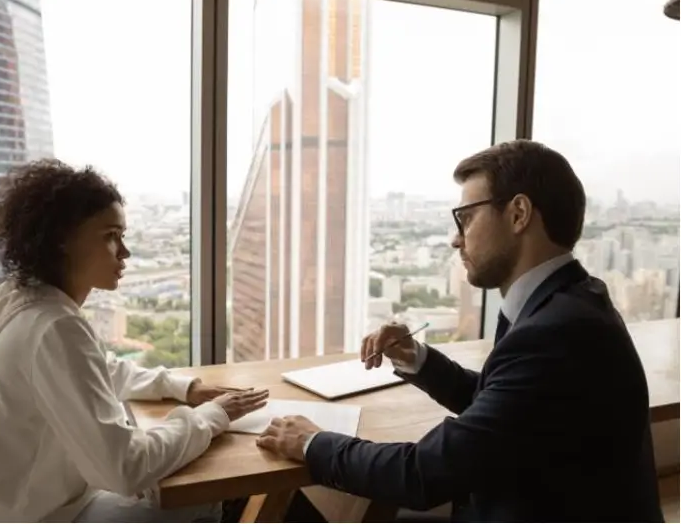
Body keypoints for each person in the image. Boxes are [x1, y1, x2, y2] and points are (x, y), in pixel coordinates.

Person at [256, 140, 664, 522]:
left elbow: (422, 475)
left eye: (465, 218)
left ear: (519, 214)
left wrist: (311, 442)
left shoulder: (557, 333)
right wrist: (418, 358)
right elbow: (498, 406)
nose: (455, 239)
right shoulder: (566, 301)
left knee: (308, 508)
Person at [0, 159, 269, 522]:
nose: (124, 253)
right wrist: (212, 416)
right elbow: (124, 468)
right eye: (110, 236)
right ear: (62, 239)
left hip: (1, 510)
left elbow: (96, 372)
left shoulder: (27, 304)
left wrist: (186, 388)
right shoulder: (52, 326)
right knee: (199, 500)